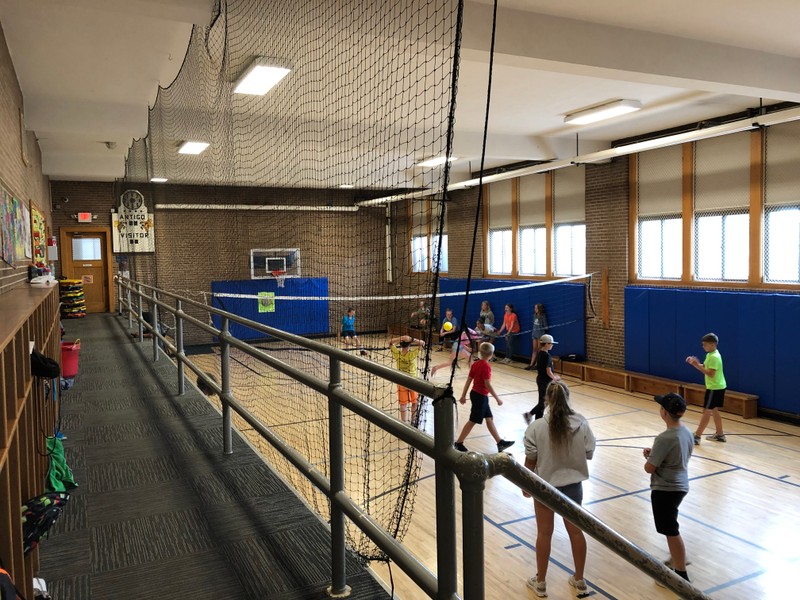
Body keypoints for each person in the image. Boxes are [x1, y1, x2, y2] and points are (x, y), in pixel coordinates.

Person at [523, 380, 595, 598]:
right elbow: (589, 453)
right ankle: (580, 580)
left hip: (545, 488)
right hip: (574, 487)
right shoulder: (581, 423)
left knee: (544, 533)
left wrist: (525, 486)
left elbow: (530, 462)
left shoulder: (536, 427)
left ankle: (541, 582)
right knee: (576, 532)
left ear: (547, 399)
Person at [643, 392, 694, 585]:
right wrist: (655, 454)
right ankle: (676, 558)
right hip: (681, 485)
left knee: (671, 529)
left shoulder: (664, 438)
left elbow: (649, 468)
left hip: (666, 489)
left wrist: (650, 457)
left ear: (664, 412)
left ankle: (680, 574)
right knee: (670, 526)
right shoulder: (686, 432)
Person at [454, 342, 515, 453]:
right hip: (480, 396)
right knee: (473, 420)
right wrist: (497, 398)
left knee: (489, 418)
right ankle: (458, 443)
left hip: (476, 394)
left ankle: (500, 442)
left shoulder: (476, 364)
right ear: (491, 354)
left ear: (480, 353)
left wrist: (463, 395)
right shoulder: (486, 366)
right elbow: (487, 384)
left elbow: (468, 380)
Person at [685, 332, 726, 444]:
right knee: (714, 410)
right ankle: (720, 434)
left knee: (706, 411)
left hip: (714, 388)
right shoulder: (711, 355)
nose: (703, 347)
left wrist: (697, 365)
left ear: (713, 345)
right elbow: (706, 368)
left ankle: (697, 436)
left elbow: (710, 373)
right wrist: (695, 364)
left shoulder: (714, 357)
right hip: (717, 386)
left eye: (705, 345)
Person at [524, 334, 560, 424]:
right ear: (546, 344)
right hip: (545, 381)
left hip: (540, 379)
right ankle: (536, 421)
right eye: (551, 343)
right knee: (543, 403)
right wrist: (555, 378)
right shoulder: (547, 356)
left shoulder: (540, 353)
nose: (552, 345)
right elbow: (548, 371)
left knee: (545, 401)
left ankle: (530, 415)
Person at [388, 334, 425, 423]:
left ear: (400, 344)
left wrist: (400, 338)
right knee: (415, 402)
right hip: (413, 381)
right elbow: (422, 343)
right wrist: (412, 338)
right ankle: (413, 421)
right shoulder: (412, 354)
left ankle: (403, 423)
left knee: (403, 404)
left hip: (401, 381)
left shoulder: (397, 353)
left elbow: (389, 342)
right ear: (410, 344)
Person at [526, 304, 549, 370]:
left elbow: (546, 326)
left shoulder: (543, 316)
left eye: (536, 308)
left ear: (540, 309)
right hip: (534, 334)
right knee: (534, 349)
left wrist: (544, 328)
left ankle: (537, 364)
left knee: (539, 350)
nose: (535, 309)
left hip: (540, 335)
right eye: (535, 308)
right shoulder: (534, 316)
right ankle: (531, 364)